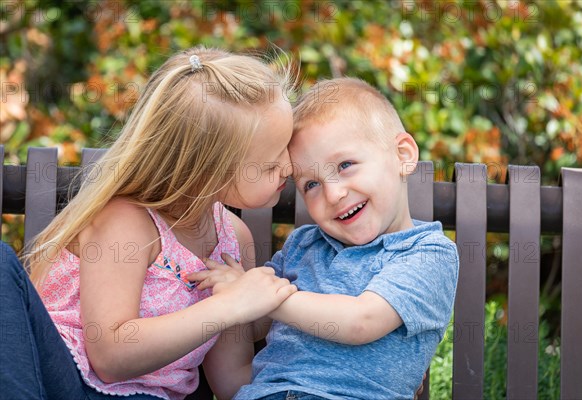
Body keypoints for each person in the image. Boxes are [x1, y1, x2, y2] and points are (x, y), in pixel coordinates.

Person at [0, 47, 299, 400]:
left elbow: (231, 379)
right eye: (270, 163)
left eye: (288, 147)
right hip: (61, 379)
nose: (290, 167)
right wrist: (229, 305)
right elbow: (110, 356)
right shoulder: (127, 224)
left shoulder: (234, 240)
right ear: (206, 172)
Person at [191, 77, 460, 400]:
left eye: (345, 165)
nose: (333, 193)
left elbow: (361, 321)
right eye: (311, 185)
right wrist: (230, 293)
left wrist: (263, 297)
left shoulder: (427, 252)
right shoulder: (302, 245)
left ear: (403, 154)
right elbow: (256, 324)